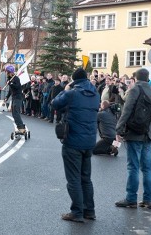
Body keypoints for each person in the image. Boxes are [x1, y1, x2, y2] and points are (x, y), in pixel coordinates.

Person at [52, 68, 100, 222]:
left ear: (74, 80)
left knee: (73, 179)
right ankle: (89, 211)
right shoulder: (95, 94)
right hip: (89, 141)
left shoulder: (72, 93)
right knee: (86, 178)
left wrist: (64, 89)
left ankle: (77, 212)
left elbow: (54, 103)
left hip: (73, 141)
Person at [115, 68, 151, 209]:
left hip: (135, 133)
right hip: (148, 133)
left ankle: (131, 199)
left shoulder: (134, 90)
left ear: (136, 78)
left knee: (133, 167)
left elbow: (127, 110)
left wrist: (118, 129)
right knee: (147, 168)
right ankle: (148, 199)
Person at [4, 65, 26, 133]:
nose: (6, 73)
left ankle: (21, 127)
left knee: (16, 112)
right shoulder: (9, 79)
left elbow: (18, 87)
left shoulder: (16, 78)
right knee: (14, 113)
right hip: (14, 97)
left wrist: (11, 83)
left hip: (18, 97)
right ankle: (19, 126)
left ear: (10, 72)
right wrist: (7, 97)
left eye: (7, 72)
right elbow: (11, 90)